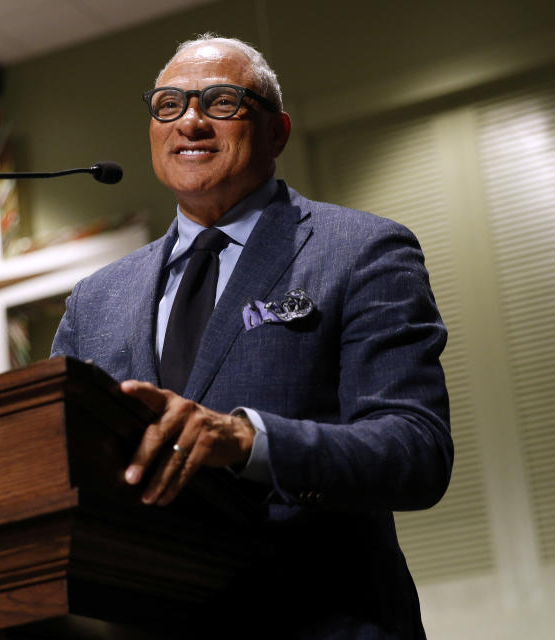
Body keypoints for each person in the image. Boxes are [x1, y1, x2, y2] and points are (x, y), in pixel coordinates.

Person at [51, 33, 452, 638]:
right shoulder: (96, 298)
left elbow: (416, 451)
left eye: (220, 102)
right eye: (168, 105)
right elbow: (55, 462)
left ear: (277, 133)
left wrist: (246, 440)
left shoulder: (361, 250)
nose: (189, 122)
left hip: (318, 617)